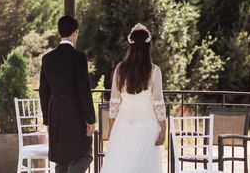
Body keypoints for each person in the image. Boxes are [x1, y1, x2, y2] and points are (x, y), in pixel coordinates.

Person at [100, 23, 166, 173]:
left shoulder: (120, 69)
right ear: (148, 46)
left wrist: (112, 127)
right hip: (148, 125)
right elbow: (158, 102)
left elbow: (115, 101)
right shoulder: (154, 71)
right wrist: (163, 128)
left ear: (130, 46)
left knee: (120, 167)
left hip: (123, 124)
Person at [40, 16, 96, 173]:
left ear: (60, 33)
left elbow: (44, 91)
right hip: (76, 112)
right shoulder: (79, 57)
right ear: (75, 33)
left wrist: (47, 119)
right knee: (85, 153)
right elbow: (83, 90)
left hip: (55, 113)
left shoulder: (47, 59)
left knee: (61, 157)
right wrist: (91, 119)